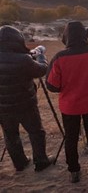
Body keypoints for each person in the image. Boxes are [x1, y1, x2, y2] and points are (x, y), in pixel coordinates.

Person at [46, 21, 88, 184]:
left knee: (70, 138)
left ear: (66, 37)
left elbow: (52, 86)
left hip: (69, 106)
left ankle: (74, 172)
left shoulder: (59, 57)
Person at [0, 25, 54, 172]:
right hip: (25, 104)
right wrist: (42, 57)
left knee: (10, 135)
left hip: (3, 108)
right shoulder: (23, 59)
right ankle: (41, 161)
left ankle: (20, 163)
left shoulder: (23, 59)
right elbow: (42, 70)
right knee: (36, 132)